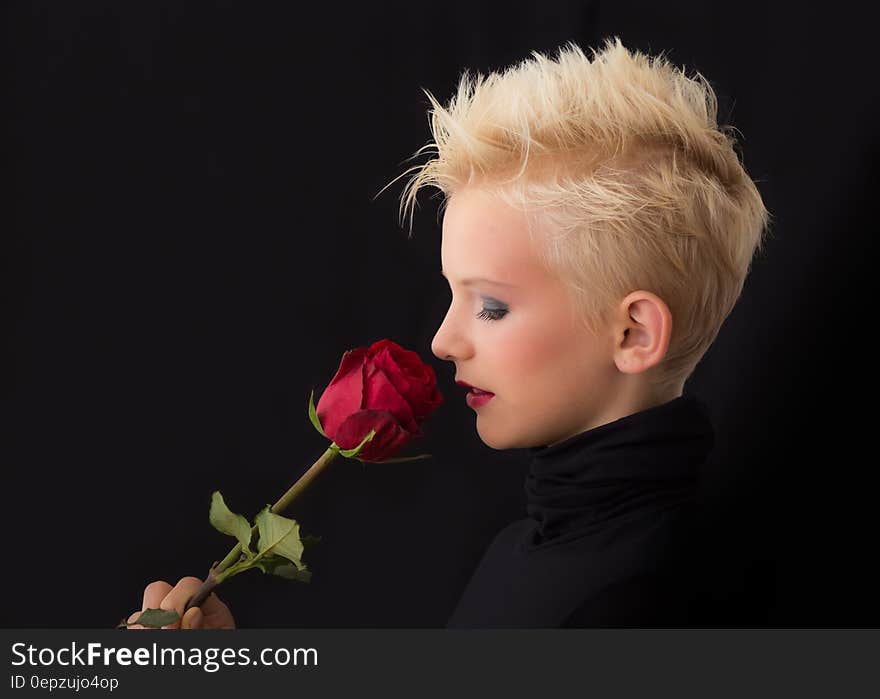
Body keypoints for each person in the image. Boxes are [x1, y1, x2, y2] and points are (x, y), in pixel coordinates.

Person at [126, 36, 769, 629]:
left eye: (490, 305)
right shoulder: (524, 549)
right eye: (452, 295)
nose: (442, 341)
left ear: (633, 333)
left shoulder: (634, 599)